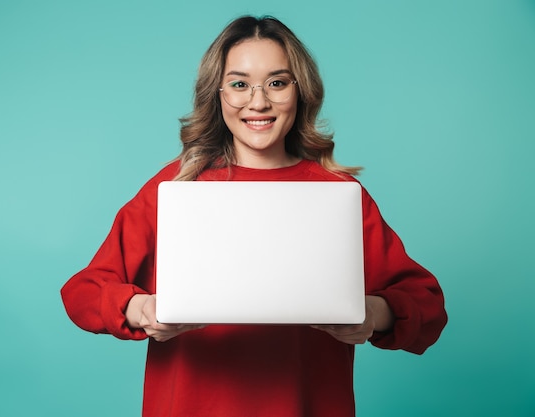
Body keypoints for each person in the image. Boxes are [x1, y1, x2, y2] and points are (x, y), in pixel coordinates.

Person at [61, 15, 447, 417]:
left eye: (277, 83)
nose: (258, 101)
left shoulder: (337, 193)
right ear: (218, 93)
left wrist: (373, 314)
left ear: (301, 92)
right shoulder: (178, 186)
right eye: (240, 84)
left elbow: (428, 305)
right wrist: (139, 309)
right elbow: (82, 291)